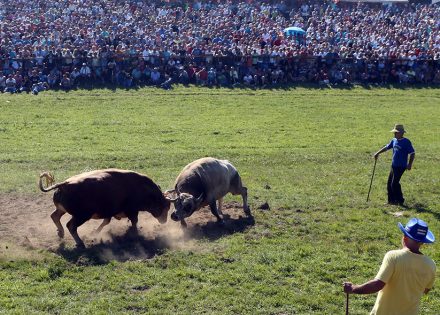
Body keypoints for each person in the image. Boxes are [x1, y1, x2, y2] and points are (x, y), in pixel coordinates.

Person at [343, 218, 436, 315]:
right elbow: (426, 289)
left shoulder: (394, 256)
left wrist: (353, 288)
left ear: (404, 237)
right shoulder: (431, 264)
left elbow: (377, 285)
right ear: (422, 242)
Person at [374, 124, 415, 205]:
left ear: (401, 133)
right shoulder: (394, 140)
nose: (394, 134)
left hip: (401, 166)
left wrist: (409, 164)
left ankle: (400, 200)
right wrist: (377, 153)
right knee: (389, 183)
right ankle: (391, 201)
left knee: (394, 183)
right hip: (394, 165)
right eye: (394, 132)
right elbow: (387, 147)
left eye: (396, 132)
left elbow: (412, 153)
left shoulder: (406, 142)